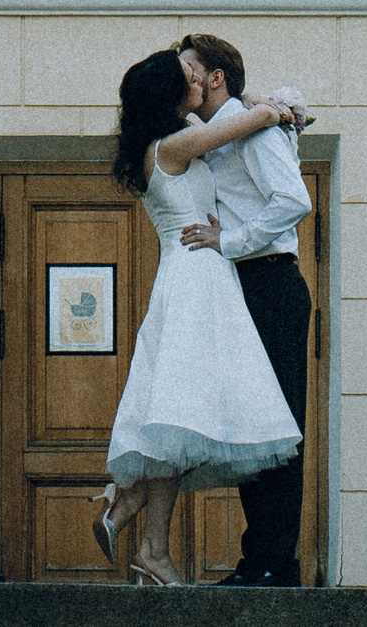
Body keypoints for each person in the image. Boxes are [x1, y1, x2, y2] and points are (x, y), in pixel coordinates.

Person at [92, 47, 302, 586]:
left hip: (203, 280)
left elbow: (267, 150)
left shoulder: (161, 144)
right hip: (201, 280)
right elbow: (258, 115)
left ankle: (143, 528)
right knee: (193, 411)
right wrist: (278, 106)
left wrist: (269, 110)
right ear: (174, 94)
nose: (195, 85)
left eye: (197, 74)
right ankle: (147, 531)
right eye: (186, 78)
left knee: (184, 413)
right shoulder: (180, 144)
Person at [175, 33, 315, 588]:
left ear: (215, 78)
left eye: (188, 69)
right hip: (242, 287)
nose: (180, 78)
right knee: (255, 425)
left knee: (279, 426)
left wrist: (228, 240)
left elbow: (294, 201)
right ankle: (261, 559)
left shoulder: (256, 128)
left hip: (270, 284)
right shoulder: (219, 132)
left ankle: (273, 563)